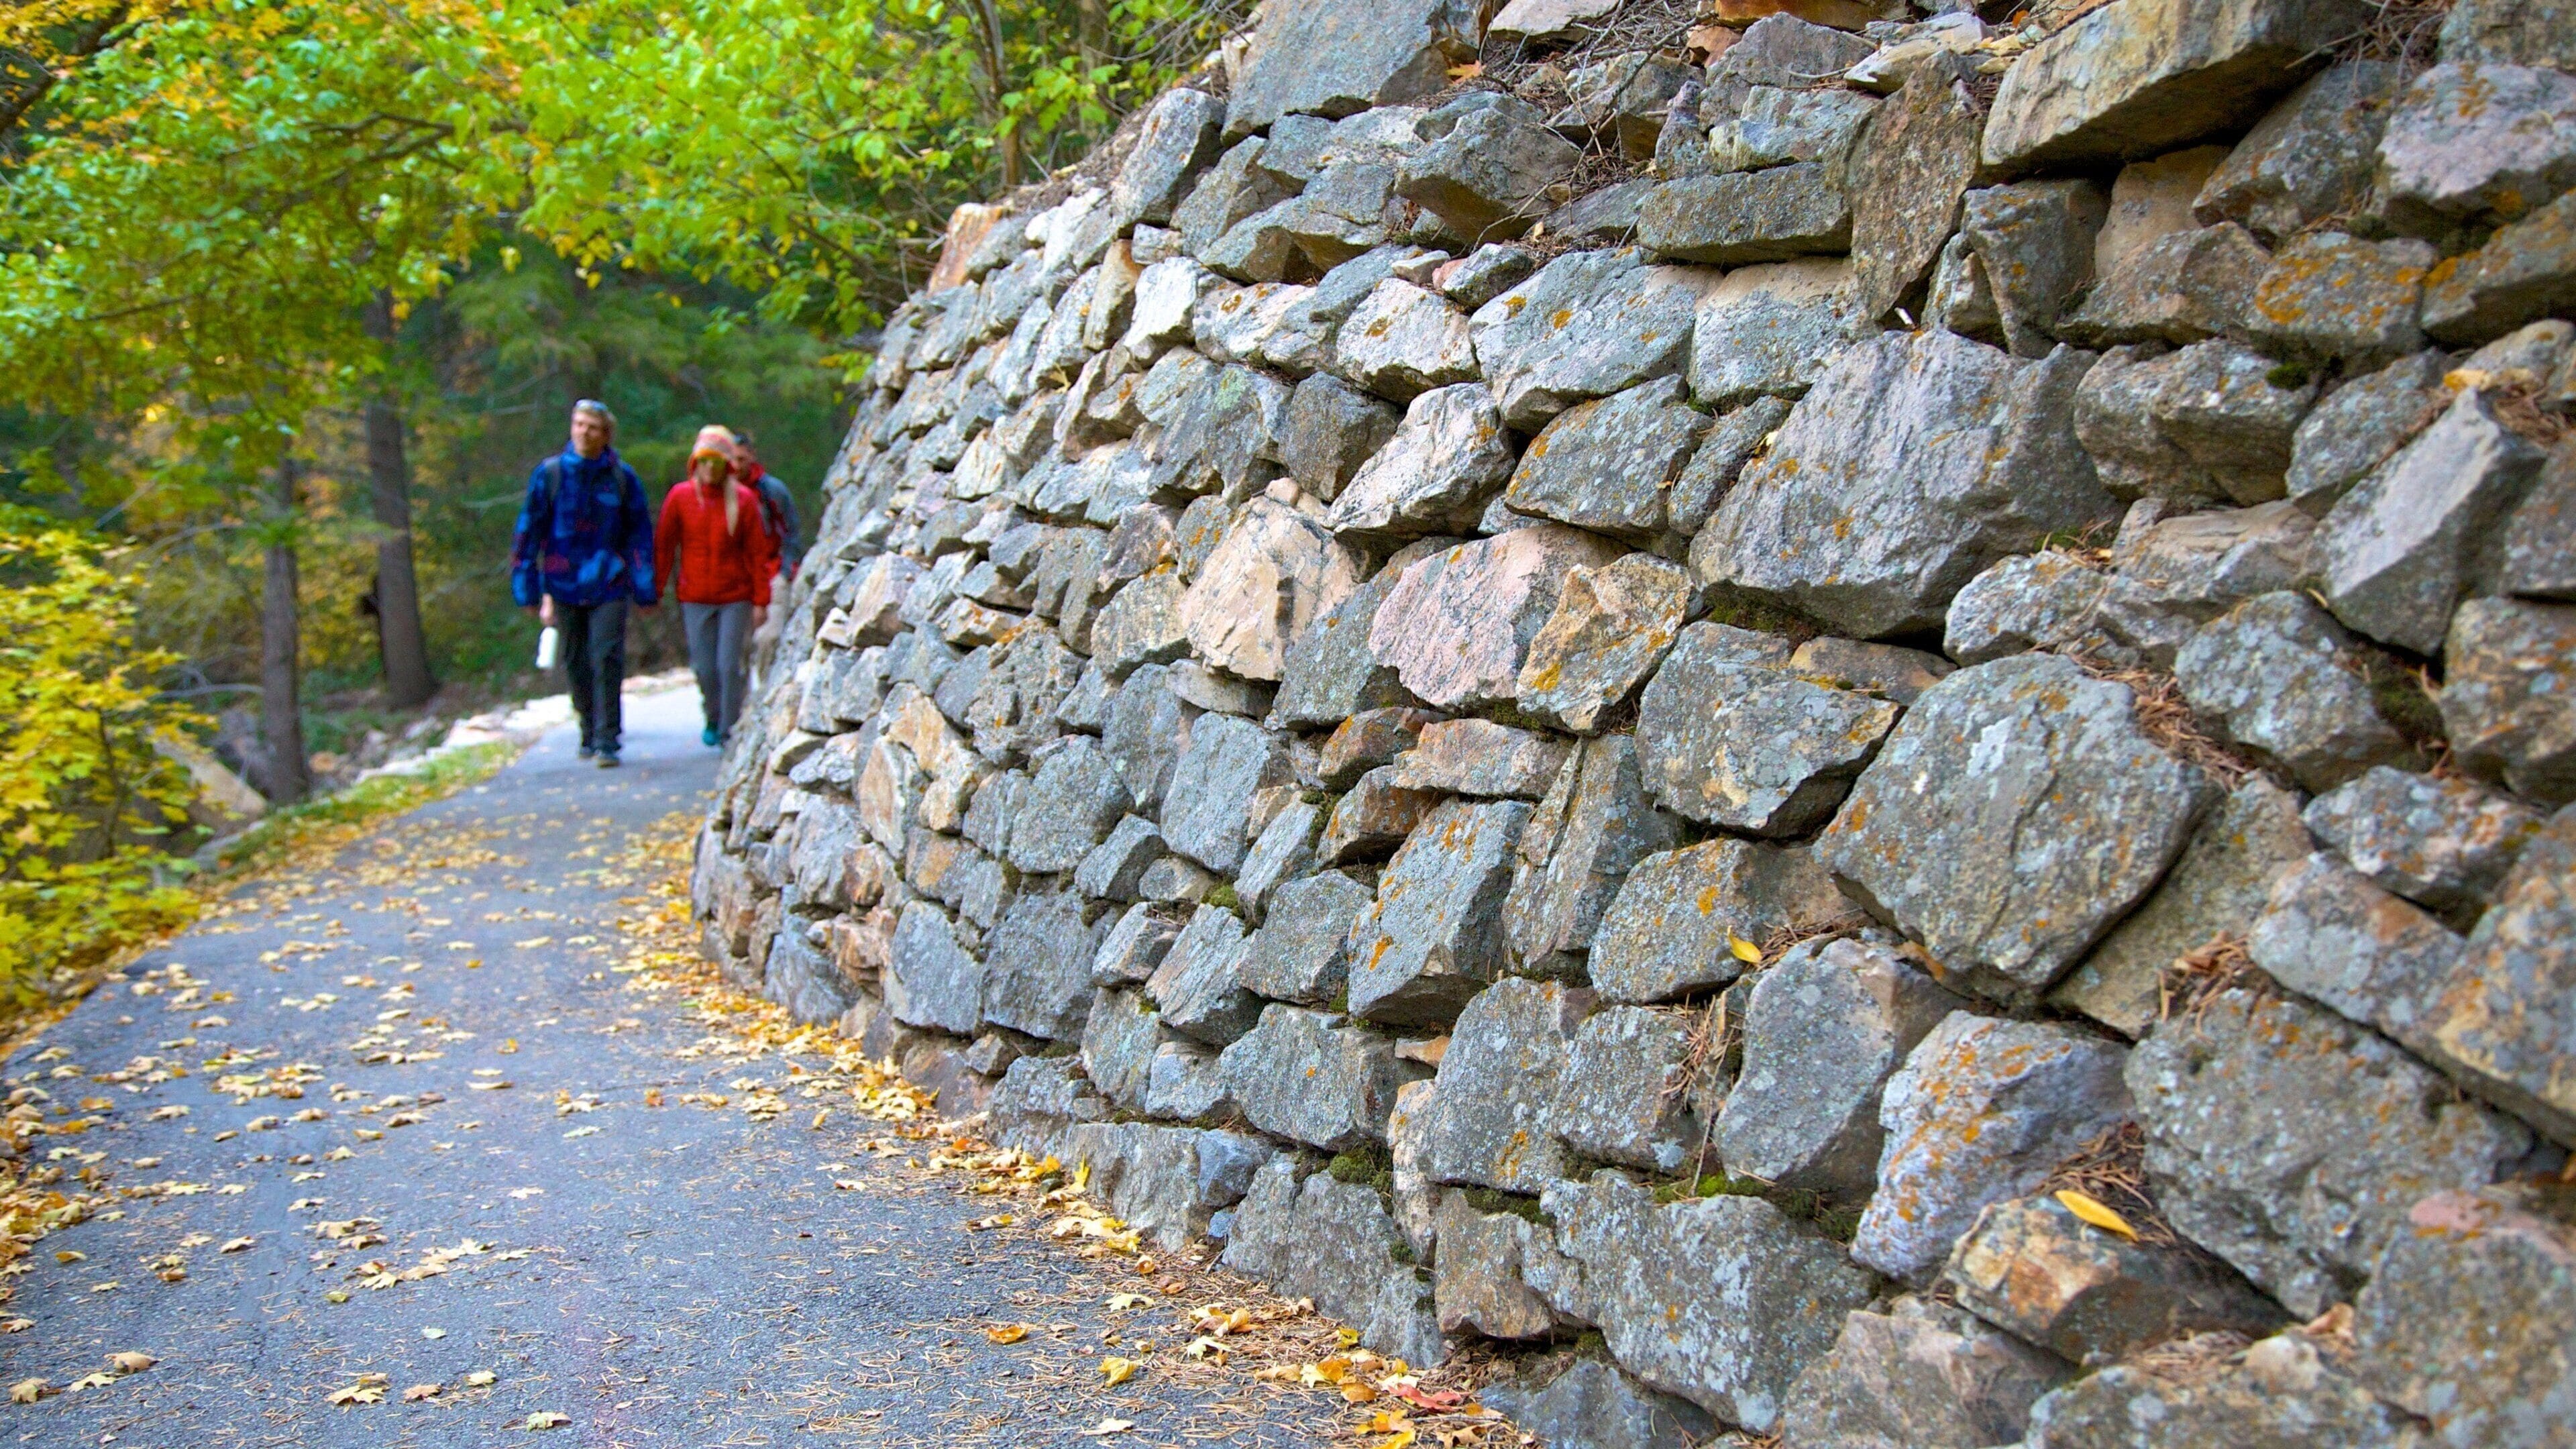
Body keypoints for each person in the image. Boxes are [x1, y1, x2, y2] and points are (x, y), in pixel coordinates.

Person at [509, 399, 657, 768]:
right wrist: (526, 587)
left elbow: (639, 536)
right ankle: (588, 728)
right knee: (575, 659)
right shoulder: (551, 475)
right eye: (578, 424)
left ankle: (608, 739)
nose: (583, 432)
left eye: (591, 426)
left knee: (606, 655)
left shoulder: (622, 478)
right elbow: (528, 533)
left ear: (605, 434)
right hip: (563, 581)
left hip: (609, 581)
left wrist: (645, 586)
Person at [655, 426, 777, 747]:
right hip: (695, 596)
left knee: (729, 665)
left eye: (716, 462)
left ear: (727, 465)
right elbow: (664, 546)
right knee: (704, 668)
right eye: (704, 461)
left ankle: (729, 728)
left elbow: (757, 553)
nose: (710, 468)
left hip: (735, 597)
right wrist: (654, 589)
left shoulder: (744, 501)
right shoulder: (680, 497)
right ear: (696, 462)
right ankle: (712, 715)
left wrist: (761, 600)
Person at [727, 428, 801, 690]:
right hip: (735, 579)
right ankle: (739, 705)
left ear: (752, 457)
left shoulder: (772, 491)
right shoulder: (719, 493)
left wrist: (785, 571)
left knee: (769, 637)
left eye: (741, 459)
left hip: (771, 571)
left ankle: (766, 693)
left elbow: (791, 531)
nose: (736, 466)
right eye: (731, 460)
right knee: (737, 648)